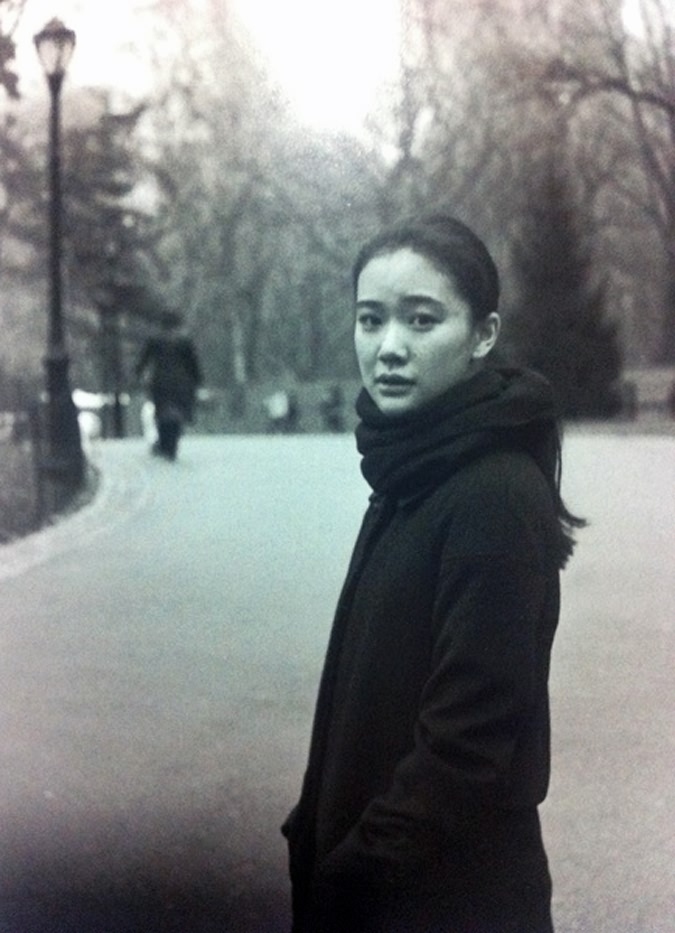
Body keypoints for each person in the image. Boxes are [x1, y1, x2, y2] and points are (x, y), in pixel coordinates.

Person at [282, 214, 584, 933]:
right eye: (370, 319)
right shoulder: (414, 464)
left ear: (481, 335)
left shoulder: (492, 493)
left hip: (443, 896)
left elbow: (468, 741)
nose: (388, 347)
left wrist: (353, 874)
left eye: (422, 321)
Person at [135, 319, 202, 460]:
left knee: (162, 414)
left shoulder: (155, 342)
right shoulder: (184, 343)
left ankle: (164, 444)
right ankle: (172, 445)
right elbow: (193, 364)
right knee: (177, 414)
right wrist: (197, 381)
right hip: (181, 384)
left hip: (160, 383)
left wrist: (138, 374)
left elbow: (144, 361)